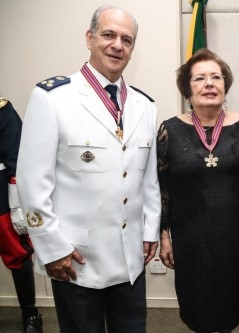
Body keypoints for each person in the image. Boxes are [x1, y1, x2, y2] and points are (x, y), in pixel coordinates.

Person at [16, 5, 161, 333]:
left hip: (129, 258)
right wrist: (52, 247)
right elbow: (31, 181)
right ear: (89, 37)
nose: (117, 45)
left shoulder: (145, 106)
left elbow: (147, 178)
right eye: (108, 35)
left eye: (127, 39)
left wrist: (150, 230)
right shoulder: (52, 98)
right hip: (76, 258)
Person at [157, 48, 239, 333]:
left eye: (216, 77)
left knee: (232, 302)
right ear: (187, 88)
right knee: (199, 304)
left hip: (237, 234)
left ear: (225, 85)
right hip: (191, 236)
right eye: (200, 78)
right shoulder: (169, 130)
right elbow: (162, 187)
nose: (209, 83)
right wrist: (164, 234)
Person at [0, 97, 43, 333]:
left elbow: (17, 157)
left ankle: (31, 314)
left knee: (17, 255)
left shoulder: (2, 108)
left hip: (1, 200)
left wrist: (18, 204)